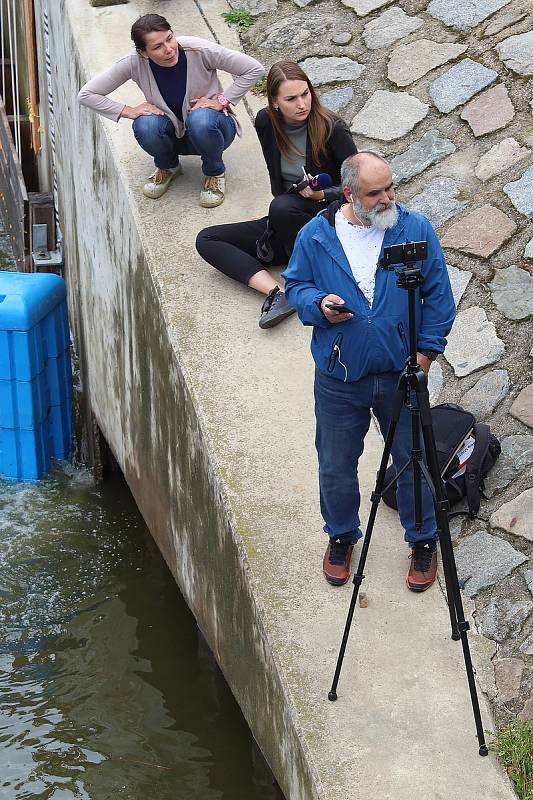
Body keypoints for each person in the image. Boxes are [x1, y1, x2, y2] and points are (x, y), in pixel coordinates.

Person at [282, 152, 456, 591]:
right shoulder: (315, 236)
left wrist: (426, 356)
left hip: (403, 374)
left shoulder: (414, 228)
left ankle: (422, 541)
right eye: (375, 193)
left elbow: (439, 296)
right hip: (341, 379)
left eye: (389, 187)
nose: (387, 198)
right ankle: (341, 535)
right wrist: (318, 306)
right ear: (349, 194)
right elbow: (296, 286)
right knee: (336, 465)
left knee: (413, 460)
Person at [195, 61, 357, 328]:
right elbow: (278, 181)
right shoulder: (266, 121)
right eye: (291, 99)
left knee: (282, 207)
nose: (302, 104)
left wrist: (323, 195)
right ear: (275, 102)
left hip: (326, 222)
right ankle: (278, 293)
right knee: (207, 239)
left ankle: (307, 278)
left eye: (305, 94)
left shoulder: (332, 128)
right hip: (286, 222)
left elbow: (358, 186)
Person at [78, 13, 264, 208]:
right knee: (145, 124)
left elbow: (253, 68)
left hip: (213, 130)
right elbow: (87, 94)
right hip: (171, 134)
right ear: (143, 52)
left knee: (201, 119)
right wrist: (128, 110)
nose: (169, 49)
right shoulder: (133, 62)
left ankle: (214, 172)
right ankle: (168, 166)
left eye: (170, 38)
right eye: (157, 47)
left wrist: (222, 100)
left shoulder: (198, 49)